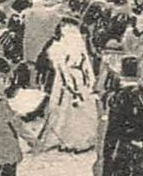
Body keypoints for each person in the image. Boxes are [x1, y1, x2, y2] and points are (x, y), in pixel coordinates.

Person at [38, 20, 98, 153]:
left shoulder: (60, 46)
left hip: (69, 79)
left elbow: (63, 68)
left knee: (66, 110)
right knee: (75, 110)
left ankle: (70, 140)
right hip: (75, 78)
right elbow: (85, 66)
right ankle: (78, 140)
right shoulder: (70, 46)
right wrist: (89, 82)